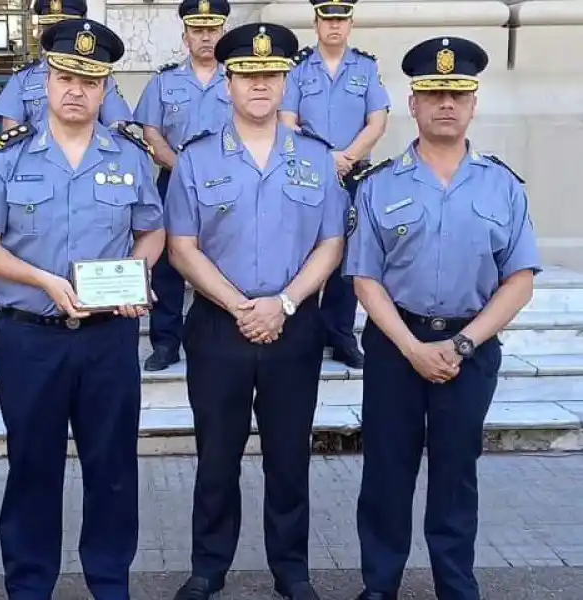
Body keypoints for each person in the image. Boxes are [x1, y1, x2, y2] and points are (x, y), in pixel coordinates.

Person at [0, 18, 164, 600]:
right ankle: (28, 586)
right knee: (31, 469)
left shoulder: (129, 155)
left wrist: (138, 274)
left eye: (89, 80)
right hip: (31, 339)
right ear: (45, 81)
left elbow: (151, 230)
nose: (75, 88)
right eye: (64, 75)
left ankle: (108, 582)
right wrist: (42, 280)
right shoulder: (8, 155)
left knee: (113, 470)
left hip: (108, 340)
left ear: (105, 90)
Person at [344, 37, 540, 600]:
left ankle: (456, 585)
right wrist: (411, 348)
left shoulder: (502, 185)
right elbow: (365, 278)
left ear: (474, 103)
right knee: (386, 472)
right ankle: (380, 584)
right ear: (413, 104)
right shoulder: (380, 184)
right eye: (433, 94)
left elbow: (519, 281)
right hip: (395, 344)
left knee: (456, 473)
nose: (445, 104)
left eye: (457, 93)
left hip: (470, 348)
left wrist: (461, 346)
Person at [165, 22, 349, 600]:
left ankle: (291, 570)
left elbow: (331, 244)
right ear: (228, 84)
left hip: (293, 327)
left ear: (287, 80)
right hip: (220, 327)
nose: (260, 84)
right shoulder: (195, 160)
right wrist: (242, 305)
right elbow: (181, 246)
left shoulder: (318, 158)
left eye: (271, 74)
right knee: (215, 457)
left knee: (289, 455)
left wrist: (285, 303)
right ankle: (208, 568)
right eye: (248, 75)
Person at [280, 0, 389, 369]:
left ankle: (340, 332)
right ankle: (302, 325)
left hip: (354, 173)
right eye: (327, 20)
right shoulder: (297, 70)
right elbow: (286, 119)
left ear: (351, 24)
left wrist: (345, 158)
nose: (334, 27)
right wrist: (324, 159)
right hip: (307, 175)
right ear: (315, 23)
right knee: (304, 249)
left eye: (341, 21)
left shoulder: (367, 67)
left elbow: (377, 122)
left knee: (348, 256)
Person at [132, 0, 231, 372]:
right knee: (169, 265)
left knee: (224, 261)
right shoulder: (164, 81)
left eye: (212, 29)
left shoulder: (238, 78)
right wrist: (184, 171)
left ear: (223, 32)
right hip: (174, 183)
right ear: (185, 36)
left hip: (229, 188)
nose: (206, 37)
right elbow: (152, 133)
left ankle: (221, 334)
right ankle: (166, 342)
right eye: (198, 30)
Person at [0, 0, 132, 131]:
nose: (58, 34)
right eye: (51, 28)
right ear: (40, 33)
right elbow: (11, 132)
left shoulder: (100, 77)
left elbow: (116, 128)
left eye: (67, 28)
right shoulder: (23, 78)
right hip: (35, 156)